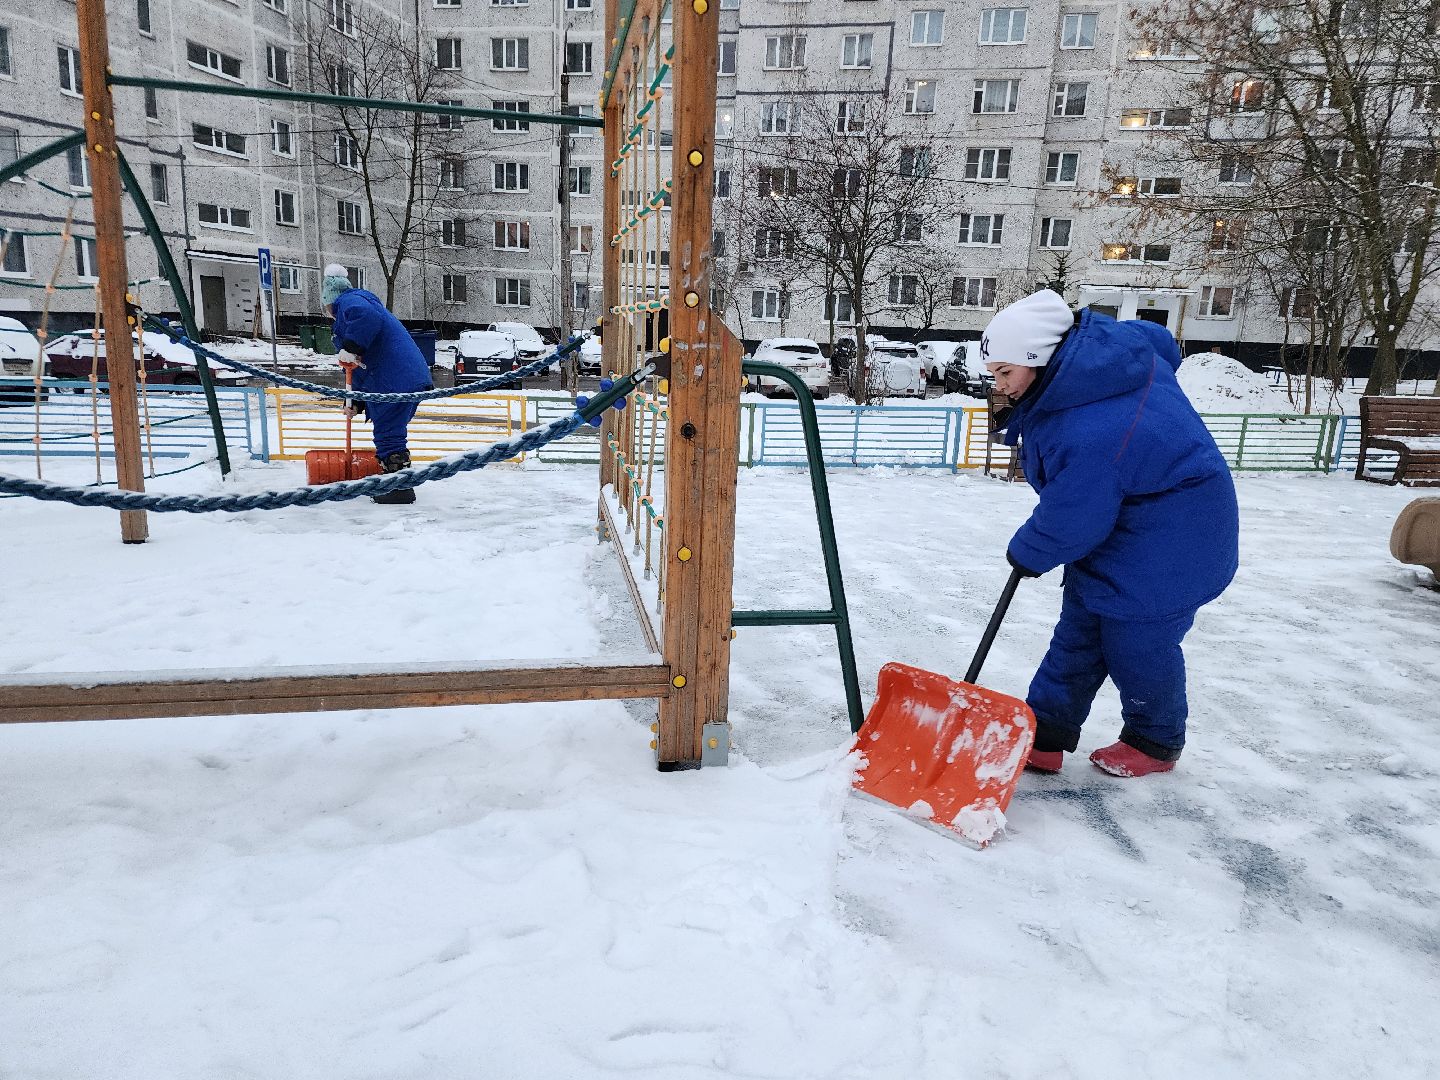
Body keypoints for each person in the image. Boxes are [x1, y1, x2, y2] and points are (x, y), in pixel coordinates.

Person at [981, 290, 1239, 778]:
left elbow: (1076, 511)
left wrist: (1029, 551)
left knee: (1137, 645)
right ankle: (1047, 733)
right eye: (995, 374)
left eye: (1006, 372)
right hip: (1125, 528)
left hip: (1176, 543)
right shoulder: (1082, 382)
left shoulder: (1094, 425)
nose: (1001, 386)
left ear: (1038, 358)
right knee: (1077, 634)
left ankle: (1155, 740)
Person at [321, 264, 432, 505]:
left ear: (329, 299)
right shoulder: (352, 311)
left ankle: (399, 488)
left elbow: (365, 319)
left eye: (326, 307)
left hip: (395, 380)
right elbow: (358, 368)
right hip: (396, 378)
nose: (328, 312)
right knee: (389, 429)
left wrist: (351, 347)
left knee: (389, 432)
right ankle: (395, 481)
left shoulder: (350, 302)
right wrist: (355, 400)